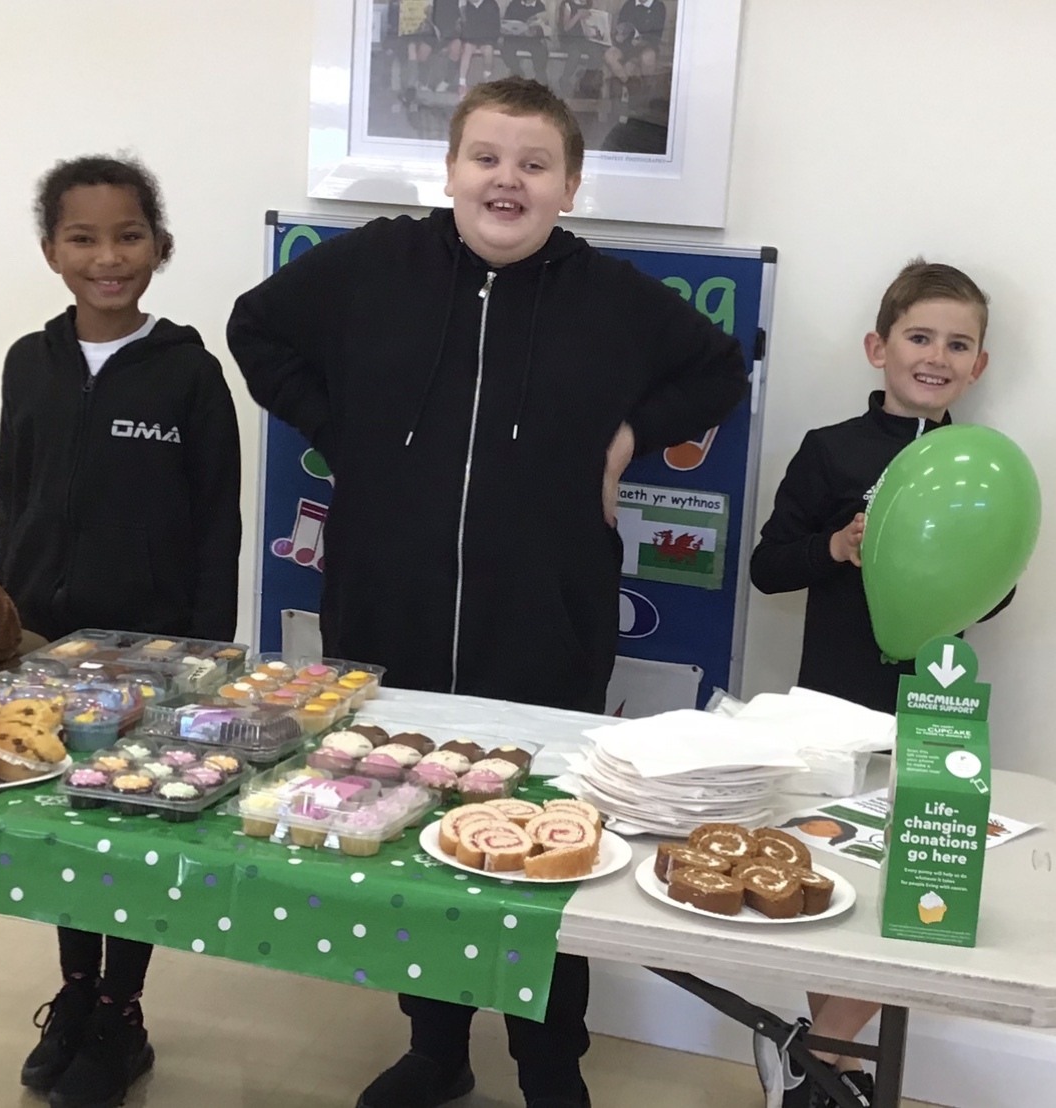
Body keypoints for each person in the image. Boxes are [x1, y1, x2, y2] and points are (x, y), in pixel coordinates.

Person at [228, 77, 747, 1108]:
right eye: (485, 157)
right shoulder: (377, 265)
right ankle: (434, 1047)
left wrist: (627, 439)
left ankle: (551, 1068)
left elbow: (719, 368)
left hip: (545, 624)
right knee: (415, 831)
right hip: (386, 610)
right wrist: (344, 436)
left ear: (569, 184)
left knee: (543, 842)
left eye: (532, 163)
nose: (505, 178)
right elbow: (255, 328)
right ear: (452, 169)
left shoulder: (609, 296)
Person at [0, 155, 241, 1108]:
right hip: (43, 647)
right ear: (52, 250)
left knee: (128, 832)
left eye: (128, 235)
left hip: (154, 658)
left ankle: (122, 1014)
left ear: (159, 246)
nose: (108, 256)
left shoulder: (189, 376)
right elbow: (12, 502)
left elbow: (217, 525)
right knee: (62, 833)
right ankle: (74, 996)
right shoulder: (30, 362)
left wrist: (207, 658)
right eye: (83, 237)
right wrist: (3, 622)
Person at [750, 259, 1011, 1108]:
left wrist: (950, 567)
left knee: (919, 892)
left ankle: (812, 1058)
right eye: (919, 335)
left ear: (979, 364)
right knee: (838, 886)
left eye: (957, 343)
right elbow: (764, 567)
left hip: (935, 707)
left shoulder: (981, 465)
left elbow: (995, 590)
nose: (936, 355)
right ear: (879, 346)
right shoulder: (830, 451)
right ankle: (827, 1068)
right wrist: (837, 547)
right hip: (831, 704)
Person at [557, 0, 609, 98]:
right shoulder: (568, 4)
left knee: (597, 53)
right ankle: (564, 79)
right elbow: (566, 28)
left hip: (584, 39)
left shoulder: (588, 4)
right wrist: (578, 16)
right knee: (575, 53)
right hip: (569, 39)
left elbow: (588, 27)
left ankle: (586, 79)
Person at [498, 0, 552, 86]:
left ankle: (540, 76)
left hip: (532, 40)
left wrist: (534, 30)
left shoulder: (539, 6)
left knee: (540, 51)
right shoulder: (514, 4)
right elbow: (506, 22)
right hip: (514, 38)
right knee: (506, 48)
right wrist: (510, 29)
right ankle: (517, 71)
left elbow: (543, 26)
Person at [457, 0, 501, 90]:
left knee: (488, 51)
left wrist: (489, 39)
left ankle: (487, 77)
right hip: (472, 39)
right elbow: (466, 27)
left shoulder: (491, 5)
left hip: (487, 39)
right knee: (467, 49)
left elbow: (496, 25)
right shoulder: (467, 7)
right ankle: (462, 83)